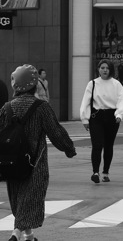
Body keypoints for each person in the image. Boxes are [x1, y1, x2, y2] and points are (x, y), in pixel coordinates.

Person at [1, 65, 76, 241]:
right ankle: (16, 234)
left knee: (19, 199)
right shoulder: (41, 107)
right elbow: (56, 132)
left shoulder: (6, 108)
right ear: (35, 85)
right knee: (31, 198)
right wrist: (69, 149)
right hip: (35, 162)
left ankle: (30, 236)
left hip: (11, 162)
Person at [80, 59, 123, 183]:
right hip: (97, 117)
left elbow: (122, 100)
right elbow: (85, 101)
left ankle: (105, 172)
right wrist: (84, 118)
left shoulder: (116, 84)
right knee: (96, 145)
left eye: (107, 68)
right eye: (102, 67)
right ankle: (95, 172)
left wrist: (119, 115)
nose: (104, 70)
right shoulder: (92, 83)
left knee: (108, 145)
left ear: (111, 69)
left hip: (112, 117)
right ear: (98, 69)